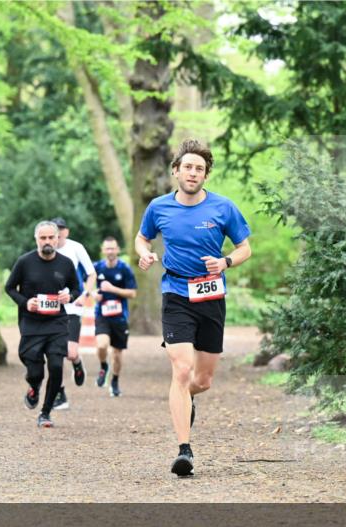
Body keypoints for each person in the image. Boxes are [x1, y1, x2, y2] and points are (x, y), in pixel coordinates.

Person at [136, 139, 252, 476]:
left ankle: (185, 399)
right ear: (176, 171)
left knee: (202, 379)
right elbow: (142, 237)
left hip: (211, 296)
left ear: (206, 175)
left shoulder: (223, 208)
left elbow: (245, 247)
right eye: (187, 166)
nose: (192, 172)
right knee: (181, 369)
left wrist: (226, 261)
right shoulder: (158, 207)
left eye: (199, 168)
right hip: (176, 293)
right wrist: (144, 252)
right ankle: (184, 450)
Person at [5, 221, 81, 428]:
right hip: (31, 323)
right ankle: (33, 385)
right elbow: (10, 288)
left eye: (50, 237)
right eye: (43, 238)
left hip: (57, 322)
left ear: (57, 239)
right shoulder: (24, 262)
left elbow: (76, 288)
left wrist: (70, 295)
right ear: (36, 239)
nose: (47, 241)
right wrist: (25, 302)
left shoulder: (66, 263)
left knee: (56, 366)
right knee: (35, 369)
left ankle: (45, 412)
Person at [52, 217, 97, 410]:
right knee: (54, 354)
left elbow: (91, 273)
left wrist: (84, 294)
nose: (59, 233)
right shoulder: (46, 249)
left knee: (70, 353)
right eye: (56, 230)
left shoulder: (75, 248)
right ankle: (60, 394)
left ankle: (77, 363)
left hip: (73, 306)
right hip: (52, 308)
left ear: (66, 232)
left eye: (61, 229)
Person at [93, 236, 138, 397]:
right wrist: (93, 293)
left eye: (113, 248)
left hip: (120, 317)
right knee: (101, 345)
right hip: (102, 315)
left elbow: (132, 293)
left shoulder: (125, 269)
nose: (110, 251)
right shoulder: (97, 267)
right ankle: (103, 366)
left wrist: (112, 289)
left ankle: (115, 381)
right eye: (107, 248)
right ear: (103, 250)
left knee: (118, 354)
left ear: (118, 250)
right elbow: (85, 284)